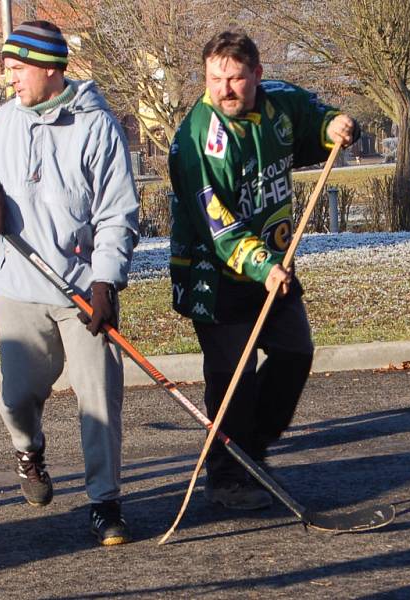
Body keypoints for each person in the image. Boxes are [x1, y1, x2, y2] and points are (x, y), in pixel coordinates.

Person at [168, 31, 359, 510]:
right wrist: (261, 265)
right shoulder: (199, 141)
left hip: (275, 262)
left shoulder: (278, 101)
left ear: (256, 73)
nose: (225, 90)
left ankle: (253, 447)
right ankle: (227, 473)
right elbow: (221, 228)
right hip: (215, 273)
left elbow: (313, 116)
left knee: (295, 352)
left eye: (235, 78)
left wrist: (335, 124)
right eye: (215, 79)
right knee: (232, 375)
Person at [0, 20, 139, 546]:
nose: (9, 79)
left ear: (48, 68)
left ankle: (105, 502)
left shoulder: (96, 128)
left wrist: (106, 282)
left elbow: (117, 214)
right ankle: (29, 450)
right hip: (19, 286)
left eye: (17, 69)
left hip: (81, 290)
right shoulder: (0, 123)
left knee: (98, 401)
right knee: (16, 398)